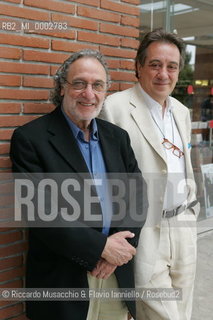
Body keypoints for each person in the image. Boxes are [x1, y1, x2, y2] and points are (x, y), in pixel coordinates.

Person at [10, 49, 147, 320]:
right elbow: (39, 212)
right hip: (63, 279)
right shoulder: (30, 139)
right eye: (79, 83)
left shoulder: (117, 138)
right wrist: (101, 248)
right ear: (62, 87)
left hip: (113, 275)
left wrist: (116, 253)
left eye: (97, 85)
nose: (89, 93)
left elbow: (138, 197)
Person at [100, 29, 200, 320]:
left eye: (172, 66)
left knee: (183, 309)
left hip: (183, 227)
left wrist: (190, 213)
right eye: (155, 64)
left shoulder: (181, 111)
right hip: (145, 234)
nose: (163, 74)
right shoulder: (113, 108)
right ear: (139, 66)